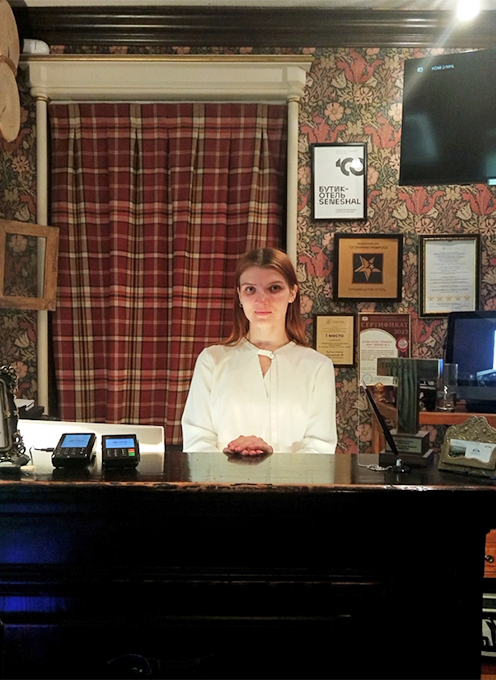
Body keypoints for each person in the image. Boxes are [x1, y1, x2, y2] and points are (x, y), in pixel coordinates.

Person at [181, 247, 337, 455]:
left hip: (293, 477)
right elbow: (197, 440)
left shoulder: (317, 367)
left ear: (292, 292)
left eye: (274, 288)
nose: (262, 300)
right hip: (221, 476)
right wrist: (235, 459)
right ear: (239, 295)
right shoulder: (211, 360)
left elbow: (320, 446)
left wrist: (273, 464)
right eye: (250, 289)